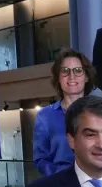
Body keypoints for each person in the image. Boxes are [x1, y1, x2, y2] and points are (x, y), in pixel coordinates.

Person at [33, 48, 97, 176]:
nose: (71, 76)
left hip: (95, 181)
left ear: (86, 77)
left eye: (78, 71)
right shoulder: (45, 116)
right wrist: (62, 175)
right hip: (59, 184)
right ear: (58, 78)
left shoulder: (100, 111)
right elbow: (40, 159)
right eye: (65, 71)